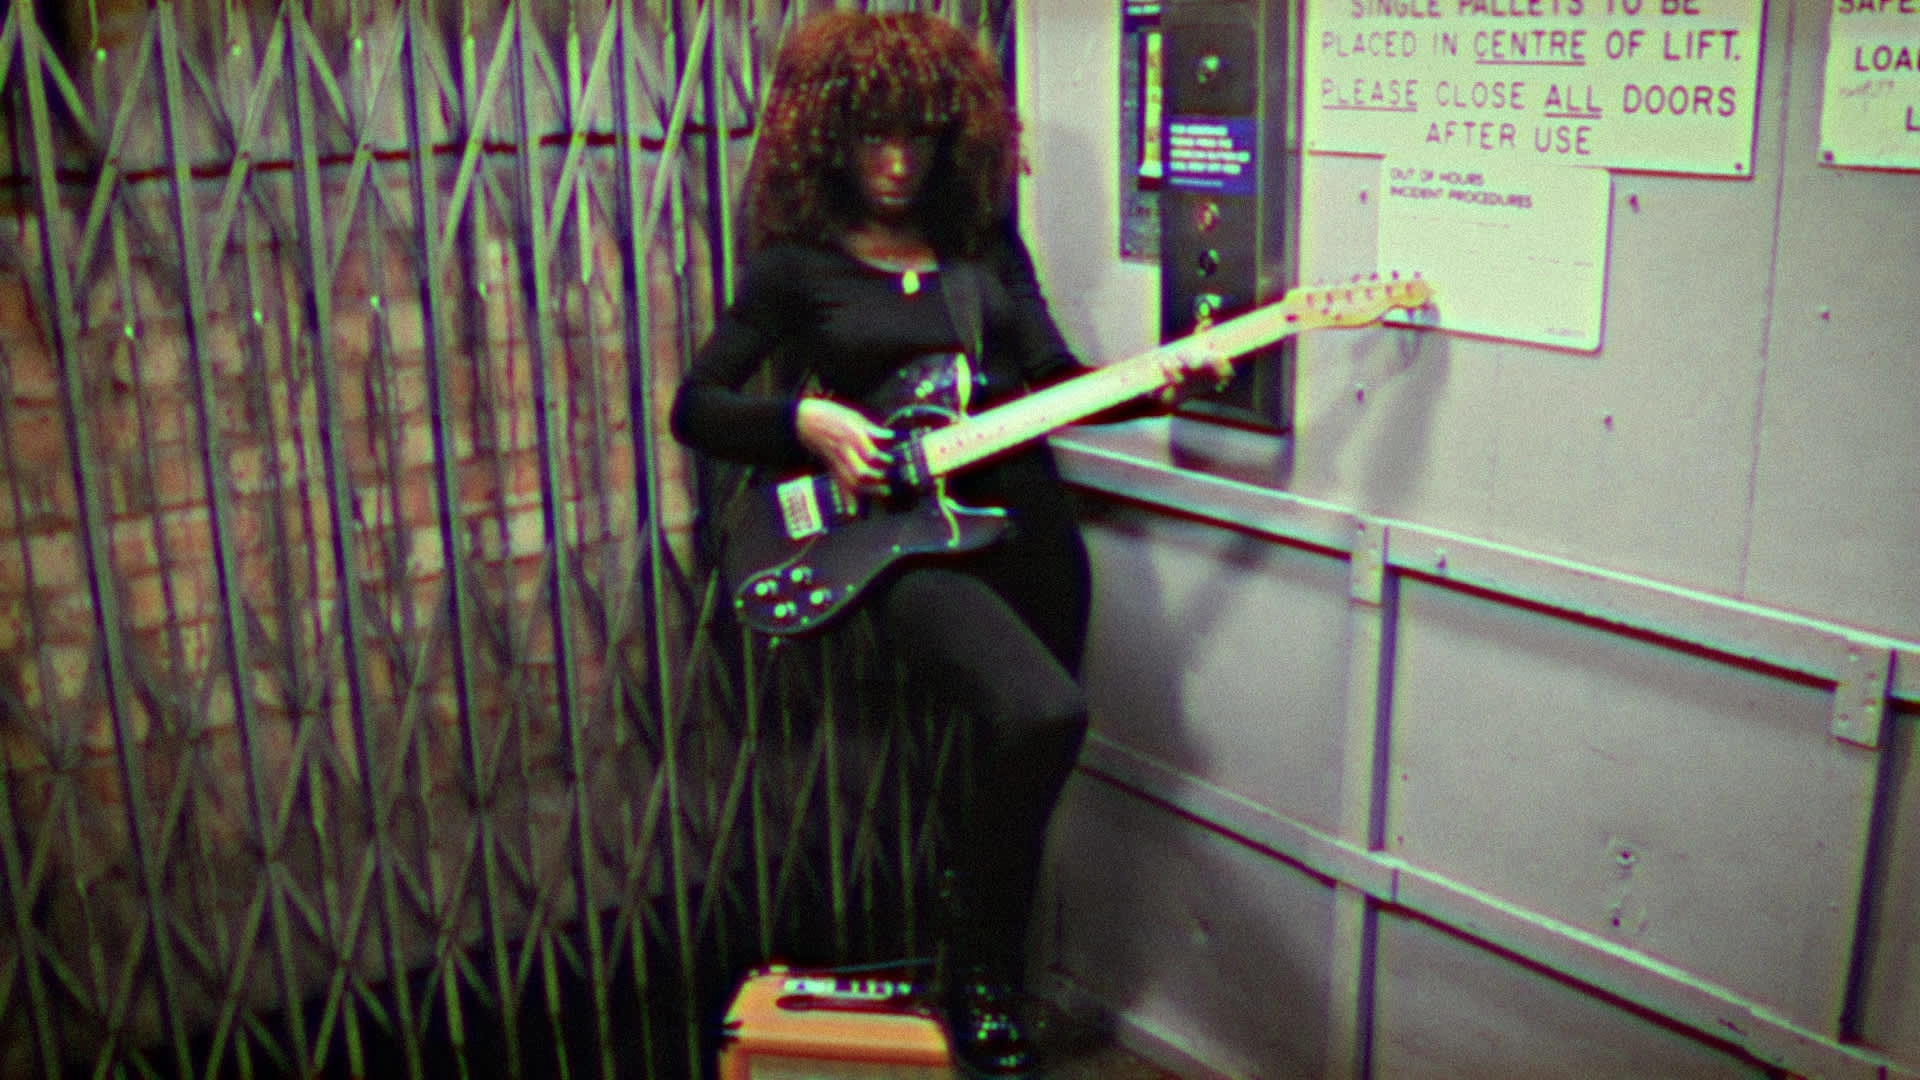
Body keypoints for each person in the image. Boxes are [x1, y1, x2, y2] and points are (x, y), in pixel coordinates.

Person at [670, 12, 1230, 1077]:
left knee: (1029, 750)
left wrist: (1158, 384)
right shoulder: (795, 268)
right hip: (905, 545)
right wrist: (807, 423)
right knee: (1044, 712)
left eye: (917, 137)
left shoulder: (983, 248)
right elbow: (697, 407)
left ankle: (983, 967)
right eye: (871, 137)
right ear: (828, 138)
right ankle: (974, 963)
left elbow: (1056, 383)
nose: (895, 161)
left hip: (1027, 527)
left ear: (951, 137)